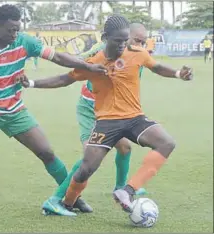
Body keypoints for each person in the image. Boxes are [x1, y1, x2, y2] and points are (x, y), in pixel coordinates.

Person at [0, 4, 107, 220]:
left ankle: (72, 197)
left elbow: (58, 58)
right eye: (10, 30)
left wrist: (87, 66)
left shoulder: (25, 41)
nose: (15, 34)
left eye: (17, 29)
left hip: (14, 110)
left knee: (47, 153)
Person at [20, 15, 193, 216]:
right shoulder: (93, 63)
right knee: (87, 168)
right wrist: (32, 83)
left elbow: (157, 67)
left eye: (125, 40)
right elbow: (64, 79)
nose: (122, 45)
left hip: (135, 117)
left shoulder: (137, 53)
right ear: (105, 38)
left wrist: (179, 74)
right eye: (117, 41)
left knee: (166, 143)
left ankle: (126, 190)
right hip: (106, 122)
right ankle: (65, 203)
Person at [40, 23, 148, 216]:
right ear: (124, 37)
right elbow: (76, 64)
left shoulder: (136, 55)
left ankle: (120, 188)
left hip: (112, 110)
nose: (141, 45)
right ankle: (55, 200)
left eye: (144, 42)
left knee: (125, 148)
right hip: (90, 109)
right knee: (88, 158)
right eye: (137, 40)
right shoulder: (102, 50)